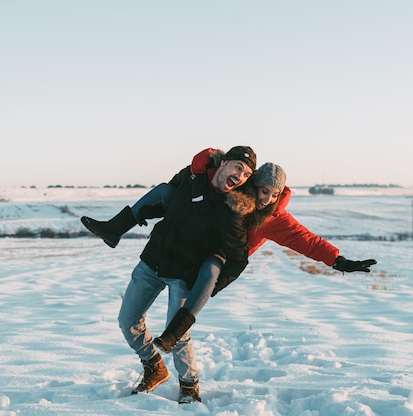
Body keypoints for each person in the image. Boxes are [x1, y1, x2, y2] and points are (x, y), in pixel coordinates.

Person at [82, 151, 377, 363]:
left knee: (209, 271)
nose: (267, 199)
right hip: (186, 245)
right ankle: (115, 228)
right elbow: (205, 162)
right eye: (263, 191)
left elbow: (306, 240)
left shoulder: (273, 217)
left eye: (273, 195)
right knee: (165, 193)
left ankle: (180, 348)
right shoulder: (234, 190)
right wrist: (195, 178)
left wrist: (339, 261)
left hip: (221, 257)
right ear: (253, 185)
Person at [82, 146, 258, 404]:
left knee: (176, 335)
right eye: (238, 167)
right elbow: (166, 195)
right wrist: (144, 212)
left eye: (246, 174)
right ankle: (154, 367)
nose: (240, 176)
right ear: (223, 163)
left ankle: (189, 386)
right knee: (127, 320)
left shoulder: (231, 211)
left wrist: (209, 286)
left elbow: (238, 259)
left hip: (184, 275)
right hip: (153, 260)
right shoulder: (191, 178)